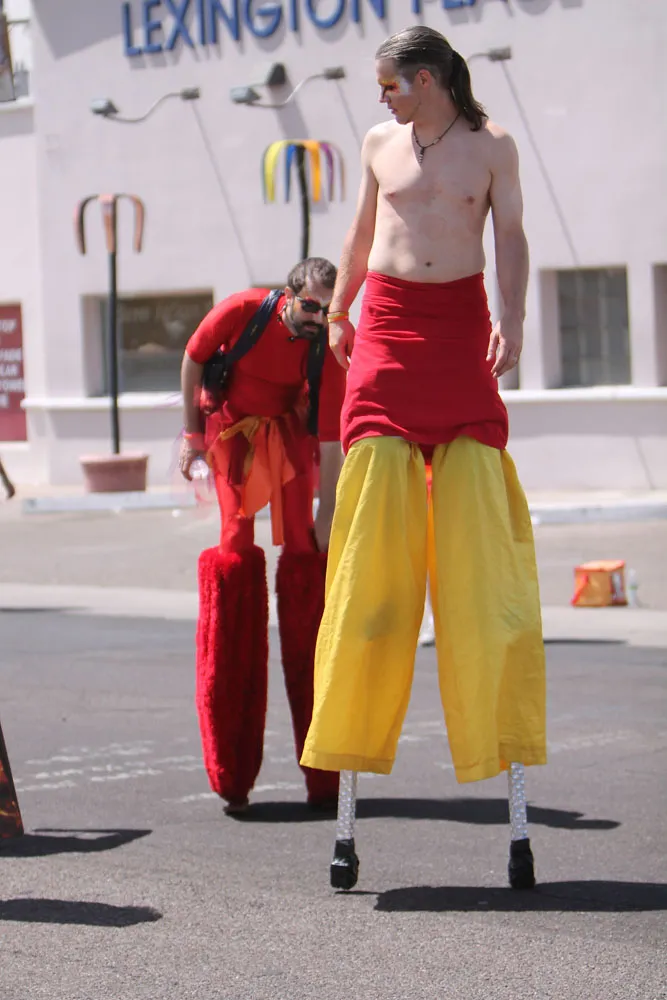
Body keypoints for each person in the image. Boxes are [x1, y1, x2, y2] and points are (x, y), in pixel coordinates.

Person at [301, 28, 546, 788]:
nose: (381, 97)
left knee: (476, 543)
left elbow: (510, 235)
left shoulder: (492, 146)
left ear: (428, 79)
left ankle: (493, 728)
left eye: (390, 83)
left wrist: (513, 317)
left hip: (458, 327)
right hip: (386, 325)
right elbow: (360, 231)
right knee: (374, 522)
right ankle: (352, 724)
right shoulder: (380, 142)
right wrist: (338, 310)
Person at [180, 258, 345, 814]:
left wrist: (327, 513)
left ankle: (324, 771)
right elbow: (194, 357)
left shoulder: (325, 346)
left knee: (304, 558)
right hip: (233, 436)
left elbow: (330, 437)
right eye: (311, 306)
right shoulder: (244, 309)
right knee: (234, 553)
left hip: (289, 441)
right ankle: (230, 765)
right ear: (288, 295)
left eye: (327, 310)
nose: (317, 318)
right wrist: (192, 438)